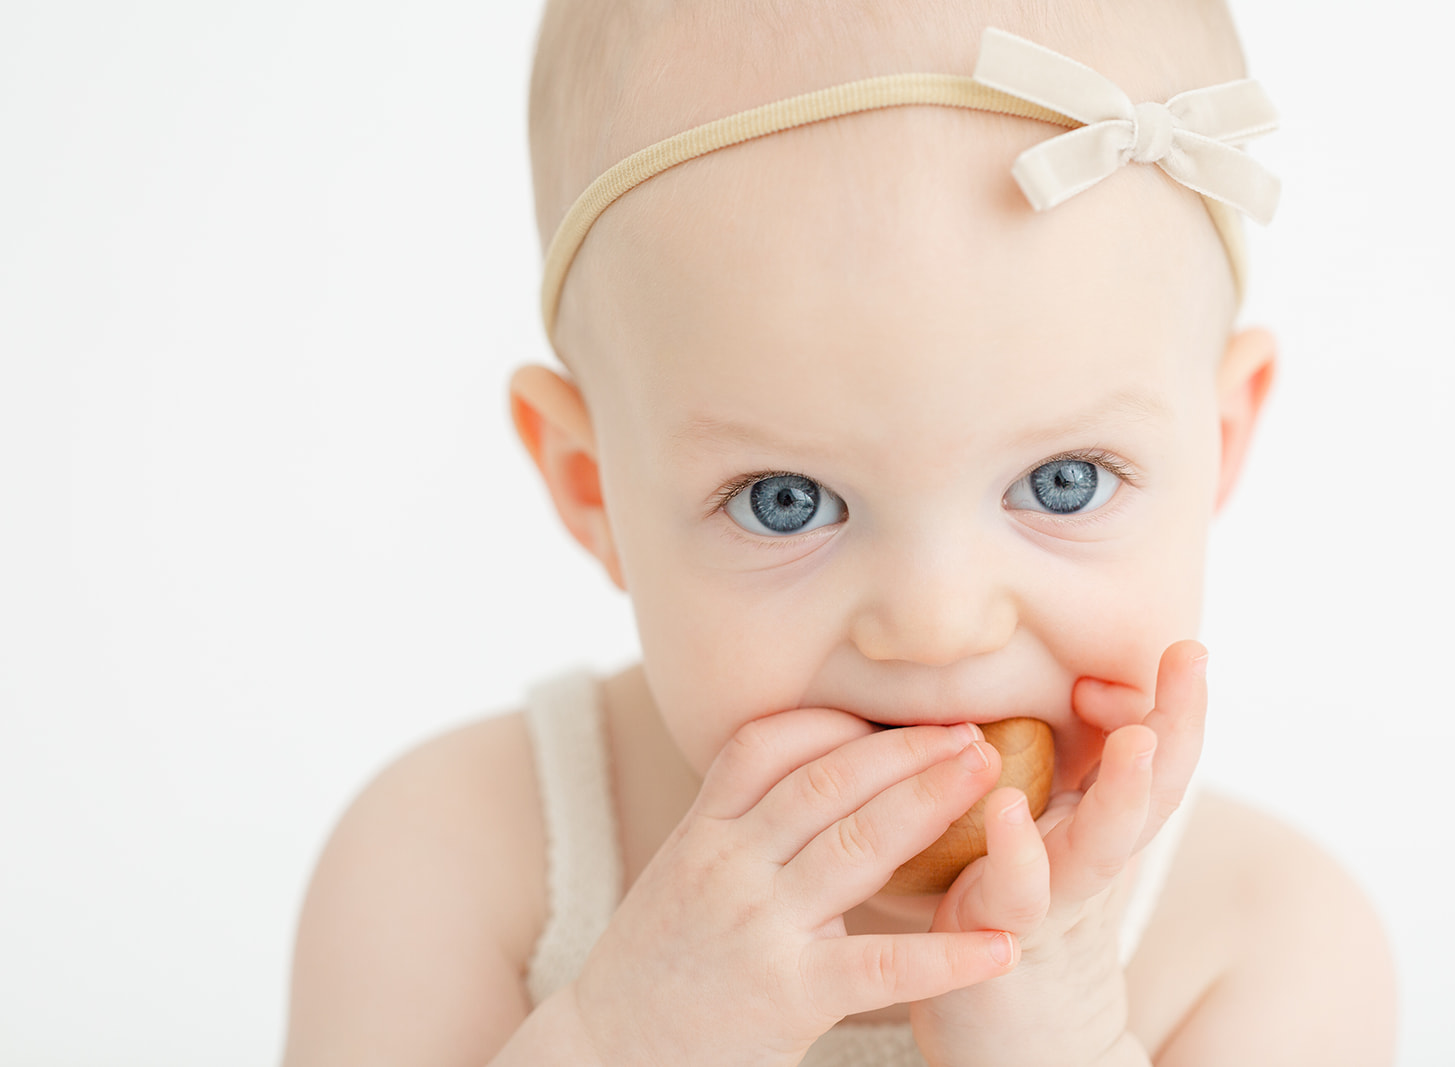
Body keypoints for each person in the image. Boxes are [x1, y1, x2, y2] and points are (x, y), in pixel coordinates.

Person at [282, 1, 1396, 1063]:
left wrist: (1058, 1040)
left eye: (1061, 483)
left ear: (1219, 441)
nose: (936, 622)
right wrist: (625, 1039)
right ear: (592, 489)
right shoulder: (457, 861)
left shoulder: (1265, 943)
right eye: (788, 500)